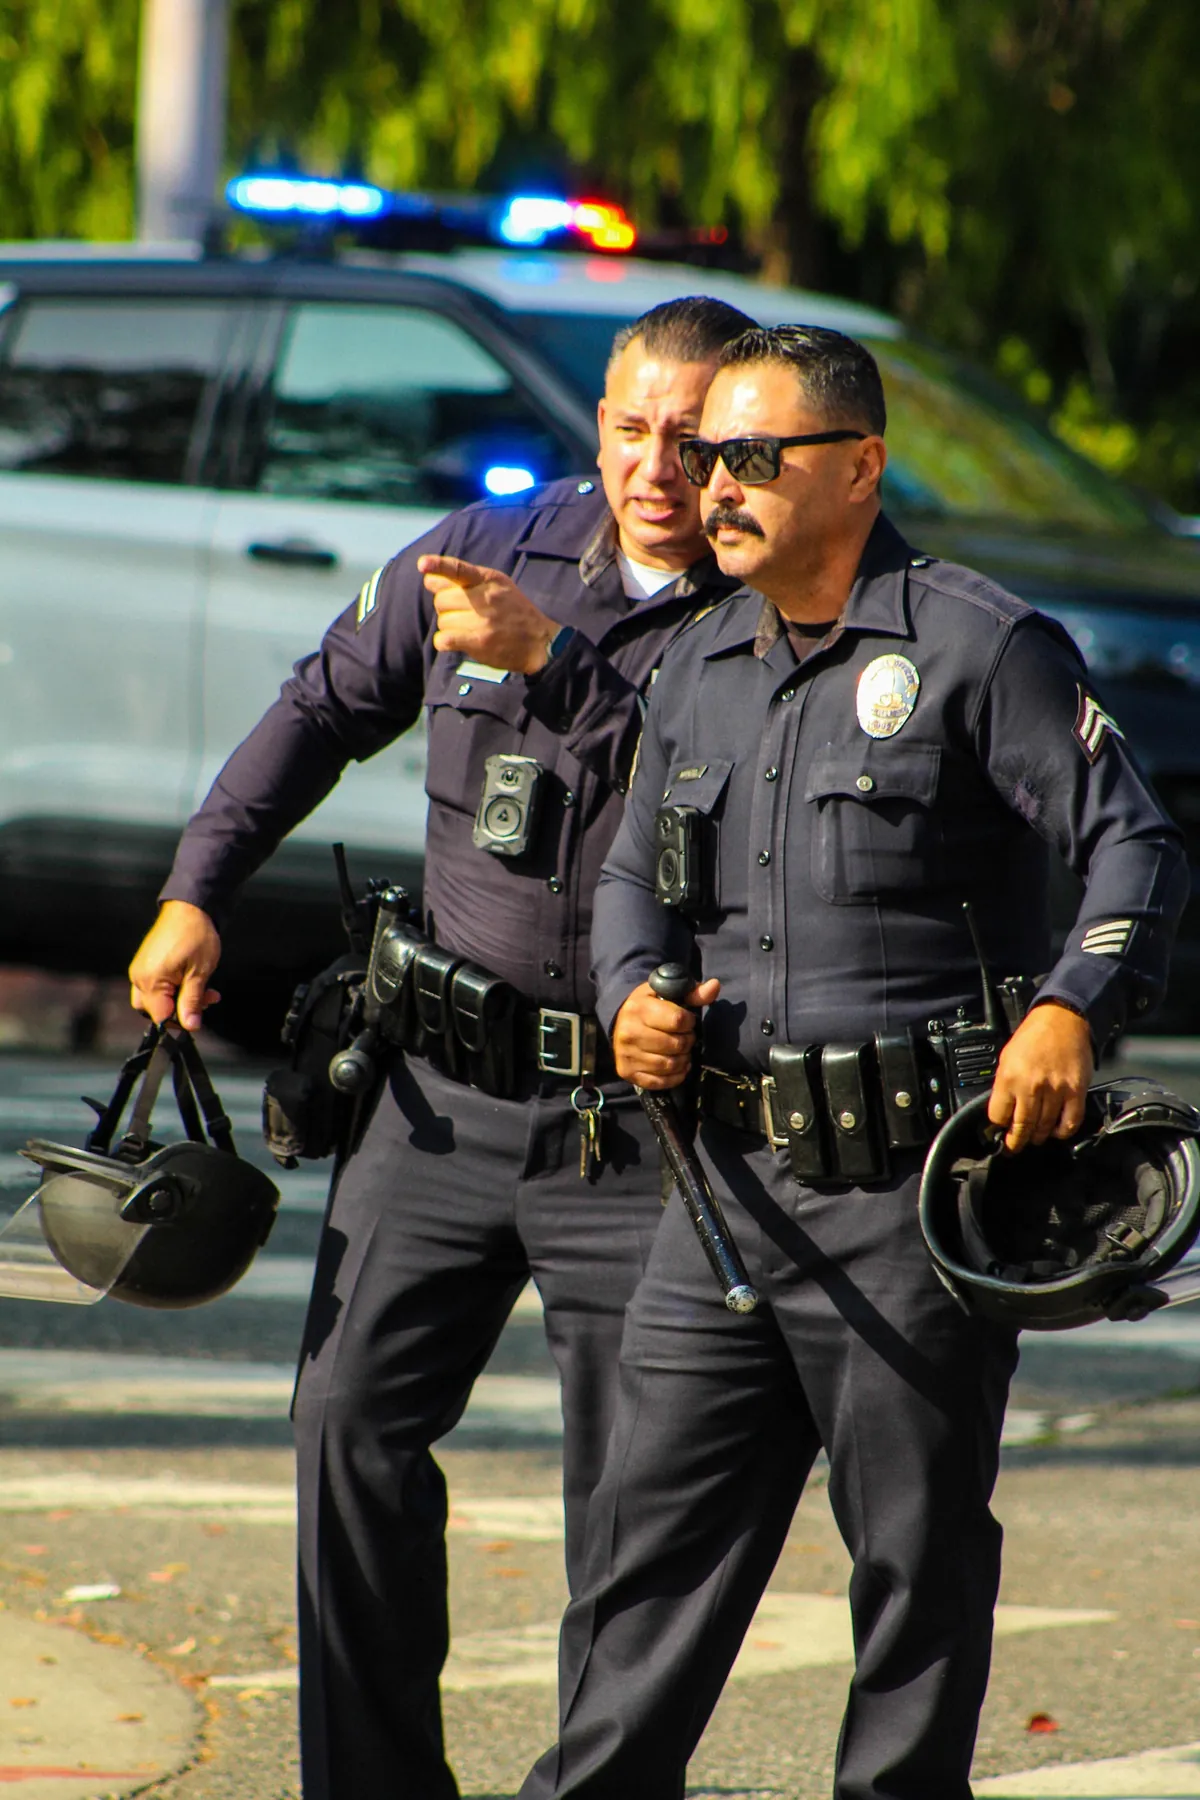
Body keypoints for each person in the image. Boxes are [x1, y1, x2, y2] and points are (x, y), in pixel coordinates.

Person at [519, 324, 1189, 1800]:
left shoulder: (975, 645)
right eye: (706, 459)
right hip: (722, 1198)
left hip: (907, 1208)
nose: (716, 489)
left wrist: (1072, 1007)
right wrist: (634, 987)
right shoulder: (700, 656)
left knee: (913, 1573)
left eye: (756, 459)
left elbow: (1133, 845)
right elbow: (633, 870)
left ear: (861, 466)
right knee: (643, 1574)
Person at [126, 295, 755, 1800]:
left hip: (641, 1131)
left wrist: (559, 669)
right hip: (439, 1092)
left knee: (636, 1511)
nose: (657, 468)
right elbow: (315, 712)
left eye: (693, 440)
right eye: (629, 430)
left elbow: (711, 799)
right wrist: (193, 894)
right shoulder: (484, 550)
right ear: (591, 423)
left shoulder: (771, 608)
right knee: (345, 1433)